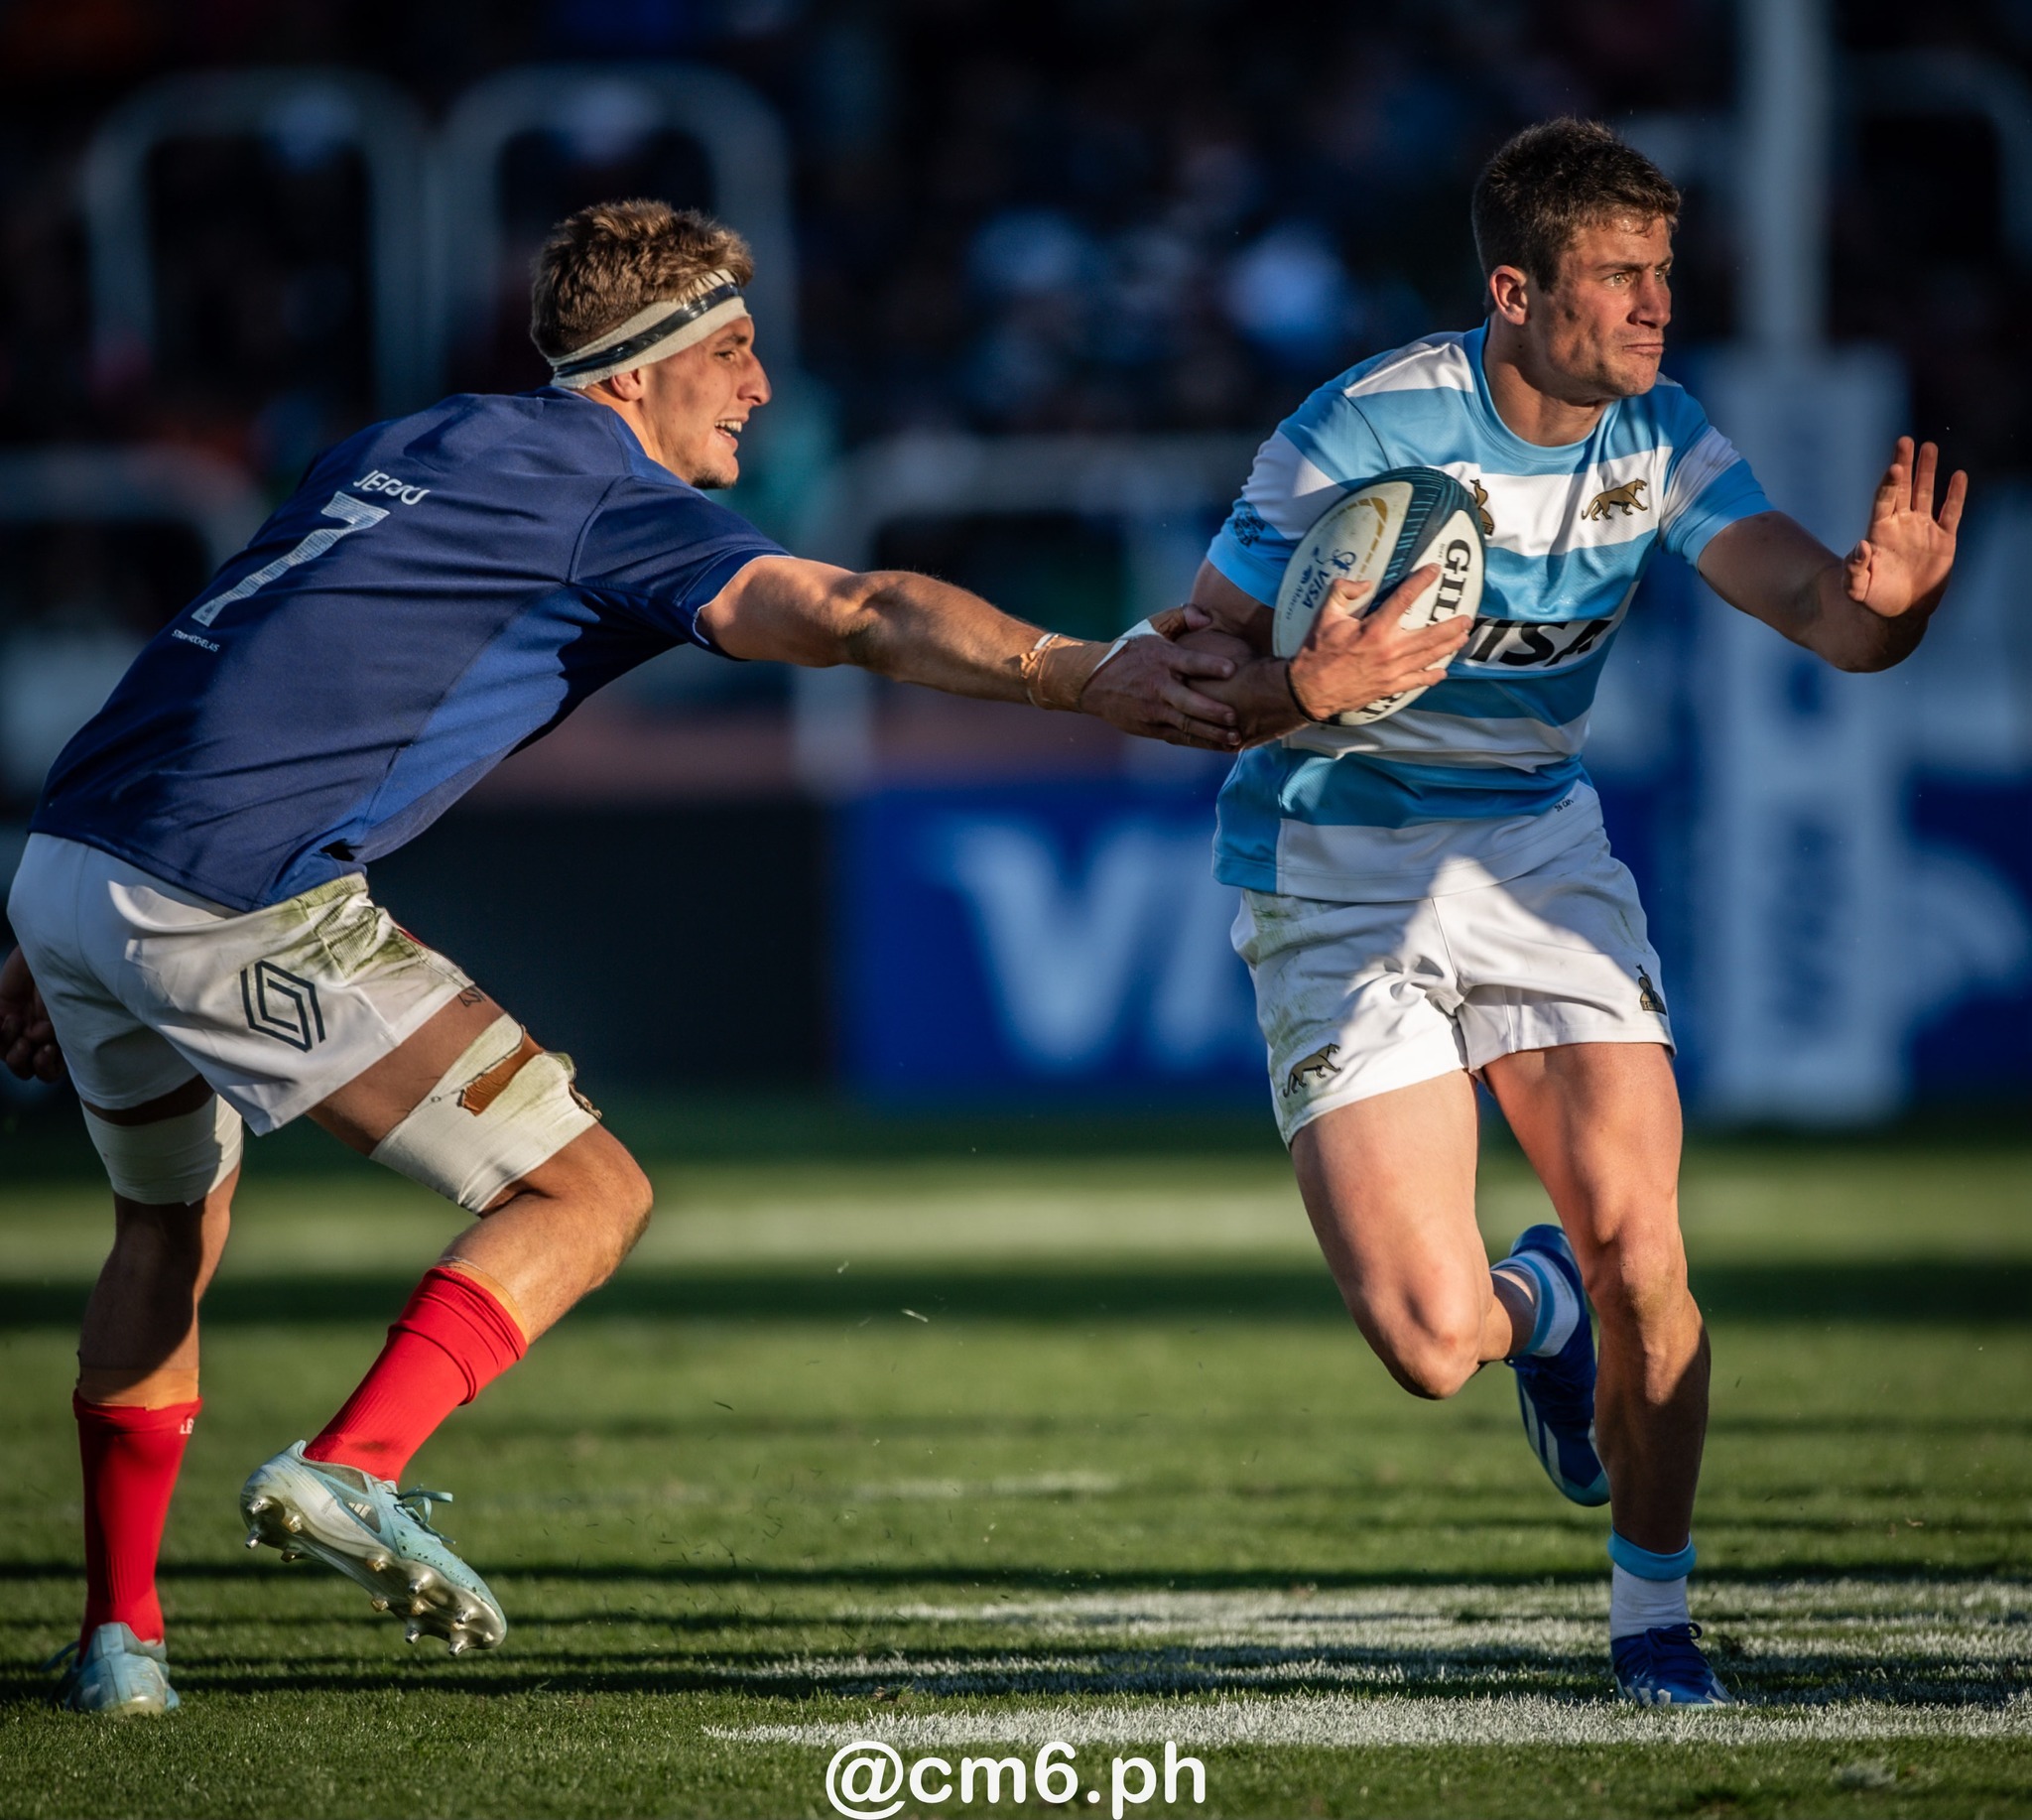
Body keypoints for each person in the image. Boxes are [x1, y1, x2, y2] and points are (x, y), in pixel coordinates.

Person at [0, 197, 1464, 1717]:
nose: (762, 386)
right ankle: (348, 1464)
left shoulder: (416, 441)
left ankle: (123, 1642)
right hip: (222, 888)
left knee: (164, 1233)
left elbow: (222, 635)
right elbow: (861, 610)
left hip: (80, 851)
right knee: (587, 1193)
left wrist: (62, 913)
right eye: (733, 351)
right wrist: (1087, 676)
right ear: (634, 376)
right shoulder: (604, 494)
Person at [1178, 120, 1965, 1705]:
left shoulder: (1661, 435)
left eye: (1664, 274)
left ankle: (1653, 1622)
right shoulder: (1361, 426)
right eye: (1619, 278)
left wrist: (1894, 607)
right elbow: (1195, 670)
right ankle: (1532, 1315)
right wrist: (1307, 683)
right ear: (1516, 290)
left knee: (1649, 1255)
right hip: (1334, 877)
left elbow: (1827, 615)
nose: (1654, 306)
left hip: (1536, 857)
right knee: (1428, 1339)